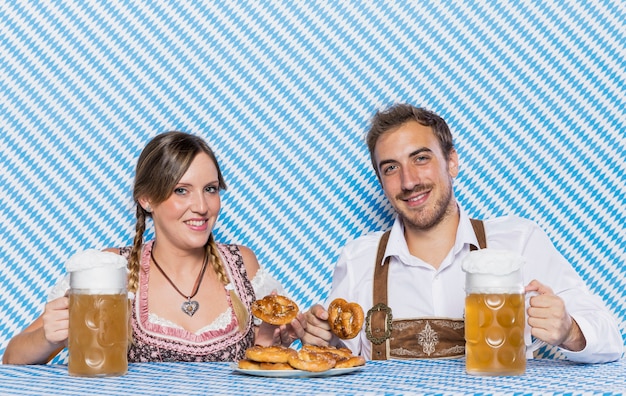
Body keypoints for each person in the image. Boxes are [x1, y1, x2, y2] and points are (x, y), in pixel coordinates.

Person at [293, 103, 623, 363]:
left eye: (420, 158)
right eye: (391, 168)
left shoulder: (518, 241)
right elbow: (336, 356)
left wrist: (570, 331)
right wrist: (320, 339)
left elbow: (610, 340)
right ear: (381, 181)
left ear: (452, 162)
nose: (408, 181)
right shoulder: (359, 258)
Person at [3, 131, 294, 364]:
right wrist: (48, 338)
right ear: (146, 200)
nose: (203, 207)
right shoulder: (110, 269)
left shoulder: (241, 263)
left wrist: (274, 338)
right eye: (182, 190)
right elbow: (12, 357)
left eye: (211, 189)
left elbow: (262, 356)